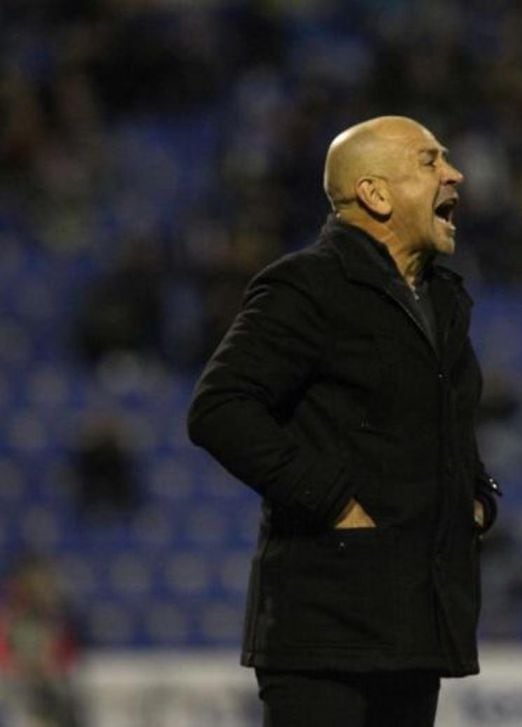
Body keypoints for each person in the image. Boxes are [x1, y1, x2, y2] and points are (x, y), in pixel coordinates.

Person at [187, 116, 501, 726]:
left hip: (415, 628)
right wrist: (333, 504)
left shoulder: (440, 299)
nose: (454, 173)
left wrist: (478, 497)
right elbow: (220, 407)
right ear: (376, 194)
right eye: (430, 161)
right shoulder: (307, 286)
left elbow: (448, 425)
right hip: (325, 632)